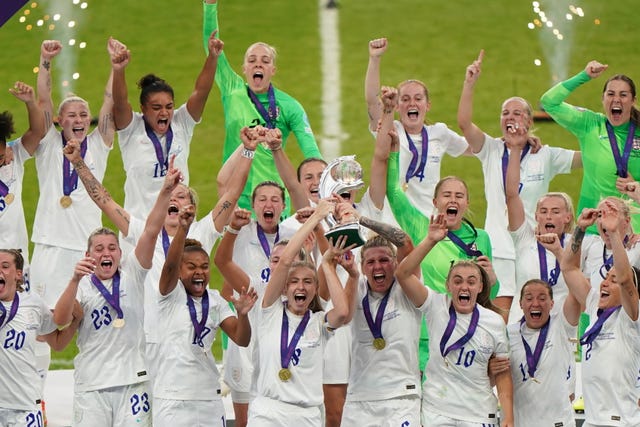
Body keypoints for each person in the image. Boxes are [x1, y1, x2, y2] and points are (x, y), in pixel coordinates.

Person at [63, 125, 259, 389]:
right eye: (173, 194)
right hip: (150, 336)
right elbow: (105, 200)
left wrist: (248, 150)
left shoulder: (202, 231)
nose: (177, 198)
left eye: (184, 196)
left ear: (192, 209)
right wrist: (77, 162)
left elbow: (232, 195)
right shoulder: (143, 232)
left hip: (190, 329)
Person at [52, 159, 182, 426]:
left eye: (112, 247)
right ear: (88, 256)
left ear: (121, 254)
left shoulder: (133, 272)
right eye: (99, 249)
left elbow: (151, 231)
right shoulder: (82, 284)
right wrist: (74, 279)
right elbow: (60, 320)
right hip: (92, 385)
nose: (106, 253)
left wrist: (165, 191)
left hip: (134, 382)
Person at [458, 49, 580, 314]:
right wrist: (469, 83)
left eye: (517, 113)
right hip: (498, 247)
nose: (510, 118)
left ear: (528, 120)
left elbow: (587, 159)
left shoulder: (545, 155)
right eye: (505, 113)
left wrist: (590, 128)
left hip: (531, 250)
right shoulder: (490, 149)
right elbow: (464, 124)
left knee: (532, 315)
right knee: (498, 317)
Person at [30, 38, 117, 401]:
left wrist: (116, 66)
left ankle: (97, 393)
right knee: (36, 328)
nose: (79, 119)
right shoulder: (49, 145)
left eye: (84, 114)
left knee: (92, 324)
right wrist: (45, 61)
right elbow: (43, 101)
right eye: (72, 115)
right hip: (50, 249)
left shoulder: (99, 144)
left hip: (87, 252)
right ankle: (32, 399)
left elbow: (111, 102)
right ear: (60, 122)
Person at [203, 0, 322, 214]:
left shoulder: (290, 106)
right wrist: (210, 6)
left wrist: (322, 180)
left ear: (273, 69)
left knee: (280, 249)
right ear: (244, 68)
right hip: (236, 197)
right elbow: (211, 47)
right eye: (252, 60)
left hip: (274, 199)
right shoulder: (232, 90)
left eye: (265, 61)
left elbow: (311, 151)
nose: (258, 64)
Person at [395, 214, 513, 427]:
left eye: (471, 281)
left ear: (480, 287)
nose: (464, 287)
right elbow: (402, 274)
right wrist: (430, 240)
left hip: (478, 413)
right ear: (448, 286)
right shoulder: (435, 304)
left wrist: (508, 417)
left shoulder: (495, 321)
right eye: (457, 281)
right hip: (437, 411)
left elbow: (503, 372)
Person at [248, 200, 353, 426]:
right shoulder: (269, 311)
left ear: (315, 289)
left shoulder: (319, 322)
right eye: (294, 281)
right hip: (268, 413)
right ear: (285, 288)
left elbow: (343, 312)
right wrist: (316, 218)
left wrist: (327, 265)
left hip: (307, 416)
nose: (301, 287)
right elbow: (286, 260)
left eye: (307, 282)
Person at [154, 203, 257, 426]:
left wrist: (243, 315)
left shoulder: (216, 300)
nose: (199, 271)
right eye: (191, 266)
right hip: (173, 398)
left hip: (209, 398)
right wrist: (183, 228)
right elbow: (170, 267)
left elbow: (242, 338)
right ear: (180, 272)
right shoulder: (170, 295)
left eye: (204, 266)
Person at [110, 32, 223, 219]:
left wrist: (212, 57)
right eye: (156, 108)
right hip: (140, 228)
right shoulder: (131, 129)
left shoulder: (181, 123)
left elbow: (201, 92)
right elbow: (120, 102)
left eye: (169, 107)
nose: (164, 113)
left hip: (178, 226)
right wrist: (119, 70)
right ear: (143, 109)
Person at [365, 37, 471, 217]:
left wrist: (512, 142)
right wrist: (375, 59)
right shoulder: (391, 129)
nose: (411, 103)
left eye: (418, 99)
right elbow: (372, 103)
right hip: (393, 223)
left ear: (427, 105)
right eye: (405, 99)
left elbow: (477, 148)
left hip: (428, 223)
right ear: (397, 106)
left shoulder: (439, 133)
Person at [561, 200, 640, 426]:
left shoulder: (632, 317)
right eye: (606, 277)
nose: (604, 283)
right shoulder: (596, 306)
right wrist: (580, 228)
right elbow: (569, 269)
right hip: (592, 421)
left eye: (612, 280)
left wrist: (614, 233)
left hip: (622, 422)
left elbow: (626, 280)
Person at [338, 219, 422, 426]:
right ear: (363, 268)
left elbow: (406, 243)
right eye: (370, 262)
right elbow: (344, 315)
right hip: (360, 398)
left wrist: (361, 219)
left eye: (384, 260)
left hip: (401, 397)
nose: (378, 266)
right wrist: (351, 274)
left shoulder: (406, 286)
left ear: (395, 263)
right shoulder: (355, 286)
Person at [540, 60, 640, 235]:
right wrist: (584, 76)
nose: (616, 99)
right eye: (611, 94)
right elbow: (549, 102)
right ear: (603, 99)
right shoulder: (590, 124)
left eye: (623, 95)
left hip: (634, 232)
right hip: (594, 230)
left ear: (633, 100)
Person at [0, 248, 80, 427]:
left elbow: (58, 343)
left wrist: (75, 322)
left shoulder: (33, 305)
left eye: (5, 266)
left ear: (18, 274)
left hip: (26, 406)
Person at [504, 127, 576, 322]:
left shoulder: (576, 245)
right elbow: (511, 194)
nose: (548, 217)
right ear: (536, 216)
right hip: (522, 327)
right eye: (543, 212)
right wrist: (516, 148)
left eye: (555, 212)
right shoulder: (524, 238)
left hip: (561, 329)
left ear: (567, 217)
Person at [502, 279, 580, 427]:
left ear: (552, 303)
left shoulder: (562, 326)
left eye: (542, 298)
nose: (536, 303)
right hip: (522, 422)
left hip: (558, 423)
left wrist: (565, 259)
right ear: (520, 304)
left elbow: (576, 292)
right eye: (529, 298)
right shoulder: (507, 334)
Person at [0, 81, 46, 290]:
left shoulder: (13, 156)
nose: (2, 161)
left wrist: (30, 103)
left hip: (18, 265)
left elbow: (37, 133)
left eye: (1, 156)